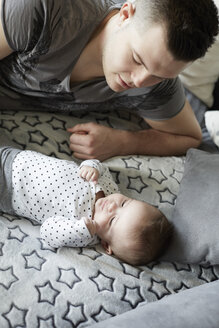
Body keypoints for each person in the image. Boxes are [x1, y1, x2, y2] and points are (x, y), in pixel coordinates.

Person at [0, 0, 218, 161]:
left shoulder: (157, 88)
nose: (139, 81)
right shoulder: (44, 9)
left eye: (159, 75)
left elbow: (188, 137)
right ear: (125, 14)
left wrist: (123, 142)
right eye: (137, 59)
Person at [0, 145, 172, 265]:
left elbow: (48, 232)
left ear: (106, 245)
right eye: (124, 203)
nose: (112, 206)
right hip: (16, 158)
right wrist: (92, 166)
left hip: (7, 188)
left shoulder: (85, 233)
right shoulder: (111, 189)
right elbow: (101, 167)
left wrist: (78, 229)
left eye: (112, 220)